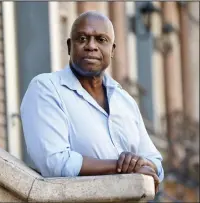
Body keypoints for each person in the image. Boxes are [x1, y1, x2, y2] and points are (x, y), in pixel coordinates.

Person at [20, 11, 163, 193]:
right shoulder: (46, 89)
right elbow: (56, 163)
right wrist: (123, 167)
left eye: (101, 39)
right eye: (82, 38)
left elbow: (156, 163)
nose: (91, 46)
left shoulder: (125, 100)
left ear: (112, 50)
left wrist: (142, 164)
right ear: (70, 46)